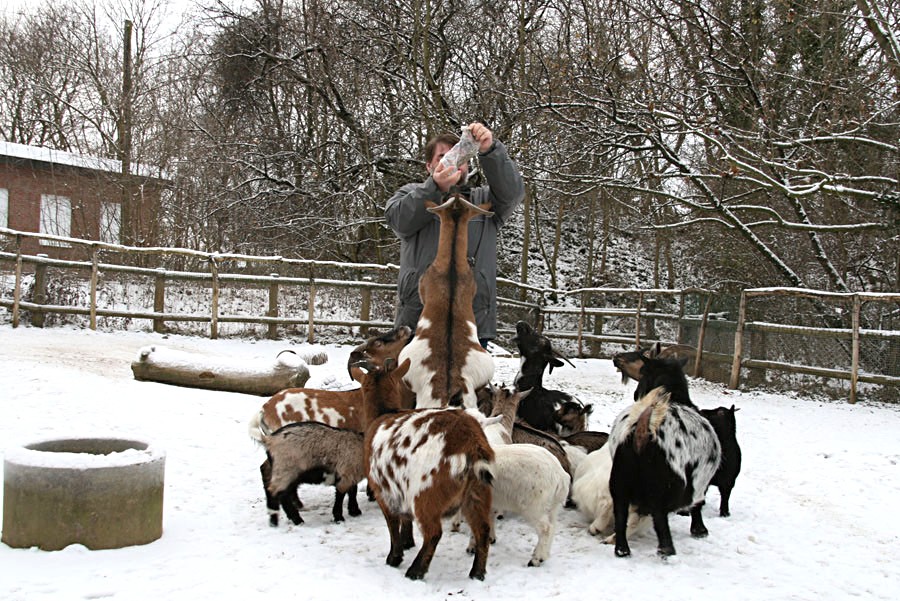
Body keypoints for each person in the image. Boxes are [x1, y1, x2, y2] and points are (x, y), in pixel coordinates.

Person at [385, 122, 525, 348]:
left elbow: (513, 193)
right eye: (444, 156)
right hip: (418, 319)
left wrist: (490, 149)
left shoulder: (486, 202)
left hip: (472, 322)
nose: (453, 162)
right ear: (429, 165)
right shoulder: (411, 194)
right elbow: (398, 220)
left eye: (461, 157)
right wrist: (434, 187)